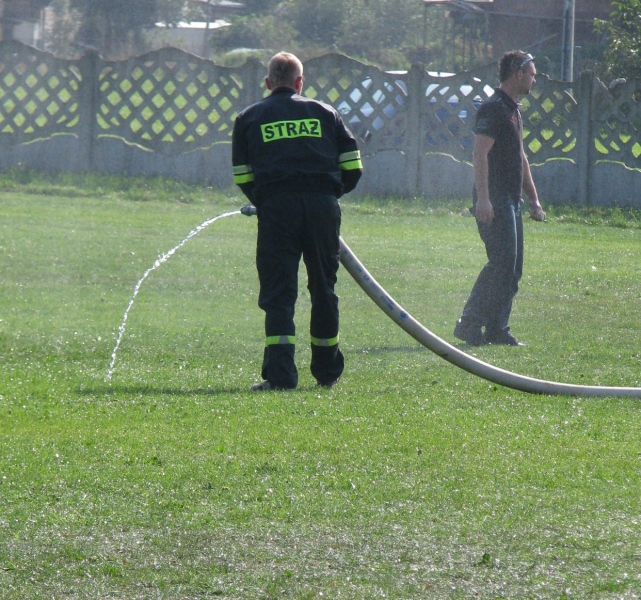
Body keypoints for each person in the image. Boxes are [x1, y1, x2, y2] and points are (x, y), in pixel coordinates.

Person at [232, 51, 363, 390]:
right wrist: (328, 195)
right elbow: (352, 166)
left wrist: (266, 201)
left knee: (279, 293)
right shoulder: (325, 113)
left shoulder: (249, 118)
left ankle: (281, 376)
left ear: (268, 83)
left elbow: (243, 175)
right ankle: (327, 372)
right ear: (300, 82)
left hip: (277, 210)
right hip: (322, 209)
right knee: (323, 288)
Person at [453, 50, 546, 347]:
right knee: (501, 262)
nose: (534, 79)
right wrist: (483, 199)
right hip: (494, 198)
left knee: (513, 267)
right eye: (532, 74)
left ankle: (496, 329)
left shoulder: (514, 110)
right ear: (518, 73)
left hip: (511, 199)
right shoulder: (493, 108)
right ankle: (469, 323)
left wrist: (533, 199)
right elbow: (480, 154)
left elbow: (521, 157)